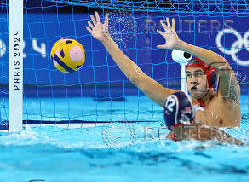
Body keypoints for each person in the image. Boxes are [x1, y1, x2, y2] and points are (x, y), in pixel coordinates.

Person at [86, 13, 241, 129]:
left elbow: (222, 65)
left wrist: (182, 46)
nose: (192, 80)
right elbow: (137, 77)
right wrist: (106, 40)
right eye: (189, 75)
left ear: (210, 78)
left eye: (198, 74)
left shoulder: (227, 98)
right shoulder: (182, 105)